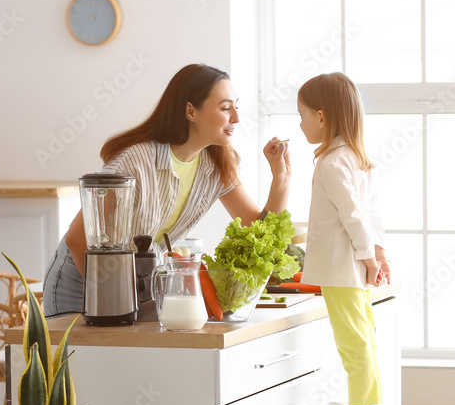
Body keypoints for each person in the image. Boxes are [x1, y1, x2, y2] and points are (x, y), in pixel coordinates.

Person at [43, 64, 291, 315]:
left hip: (138, 289)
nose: (236, 117)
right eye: (226, 108)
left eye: (236, 106)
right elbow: (78, 239)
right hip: (80, 285)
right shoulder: (135, 161)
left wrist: (280, 178)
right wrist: (118, 301)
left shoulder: (217, 166)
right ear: (190, 111)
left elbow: (258, 230)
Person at [298, 73, 390, 405]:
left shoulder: (332, 162)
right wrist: (378, 254)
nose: (300, 123)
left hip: (341, 268)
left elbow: (354, 215)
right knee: (362, 335)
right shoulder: (355, 158)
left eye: (302, 114)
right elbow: (371, 214)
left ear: (322, 117)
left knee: (352, 340)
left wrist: (370, 257)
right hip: (352, 265)